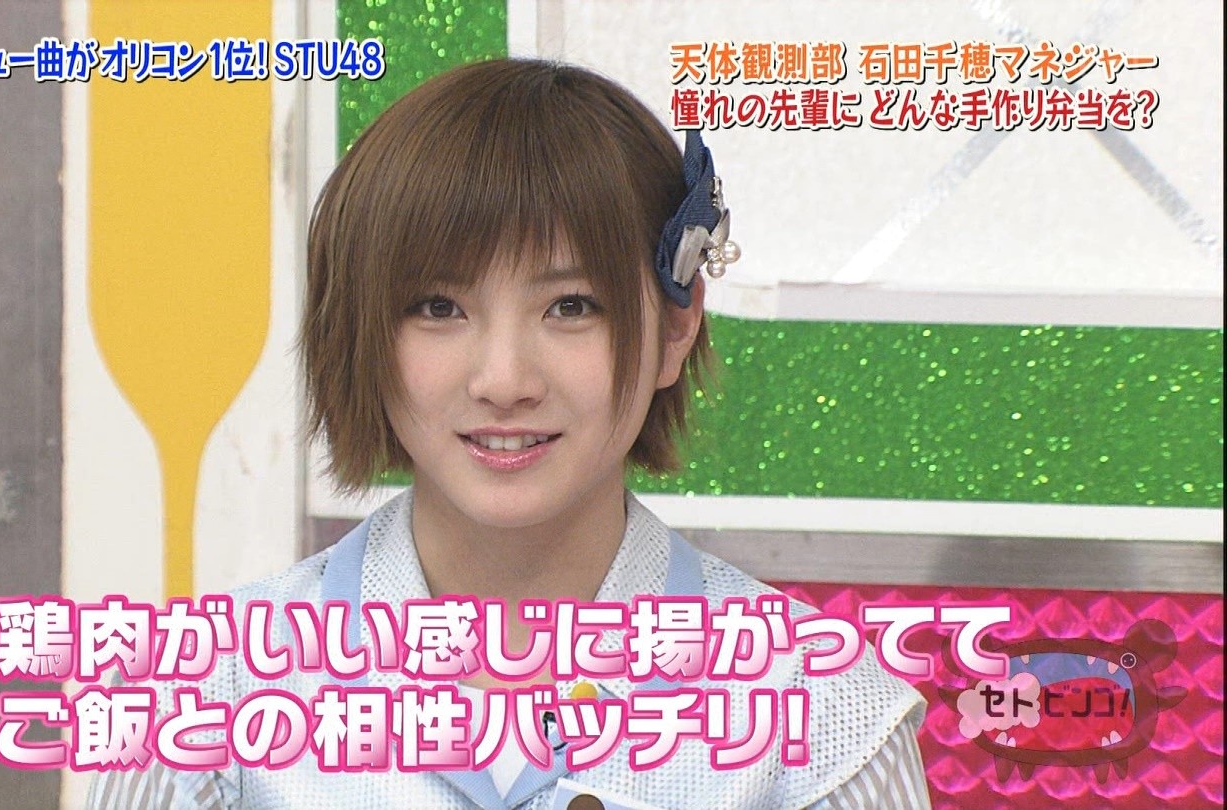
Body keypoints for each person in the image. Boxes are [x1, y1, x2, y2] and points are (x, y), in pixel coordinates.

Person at [89, 58, 928, 809]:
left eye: (571, 306)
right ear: (362, 330)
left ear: (676, 328)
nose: (503, 380)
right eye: (438, 307)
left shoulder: (823, 708)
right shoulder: (203, 694)